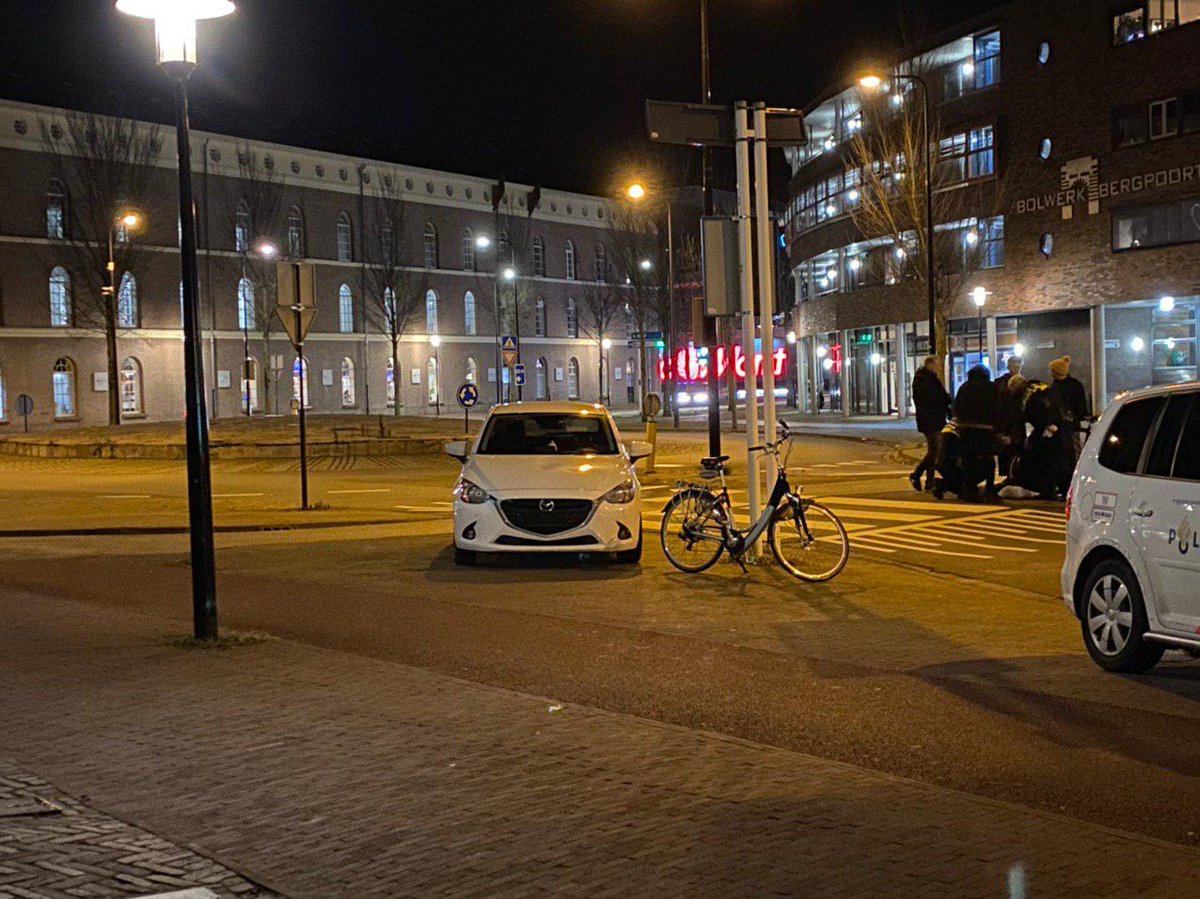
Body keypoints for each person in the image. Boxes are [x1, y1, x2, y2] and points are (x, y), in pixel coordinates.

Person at [952, 364, 998, 501]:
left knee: (968, 460)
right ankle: (989, 489)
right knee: (988, 459)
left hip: (967, 429)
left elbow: (956, 407)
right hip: (986, 429)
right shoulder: (991, 388)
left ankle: (970, 489)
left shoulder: (964, 388)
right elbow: (997, 407)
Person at [909, 356, 950, 491]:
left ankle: (927, 480)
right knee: (935, 450)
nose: (938, 367)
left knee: (933, 450)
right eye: (936, 364)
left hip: (931, 418)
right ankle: (919, 475)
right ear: (930, 364)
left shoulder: (925, 379)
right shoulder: (926, 380)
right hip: (931, 419)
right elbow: (935, 398)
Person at [1046, 355, 1090, 461]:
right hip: (1066, 423)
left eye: (1052, 370)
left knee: (1072, 449)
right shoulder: (1074, 385)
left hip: (1068, 424)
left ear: (1057, 372)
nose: (1050, 373)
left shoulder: (1058, 387)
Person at [993, 374, 1028, 486]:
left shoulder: (1004, 398)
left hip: (1009, 433)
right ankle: (1012, 477)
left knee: (1009, 455)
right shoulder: (1018, 399)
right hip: (1012, 433)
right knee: (1012, 455)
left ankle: (1011, 477)